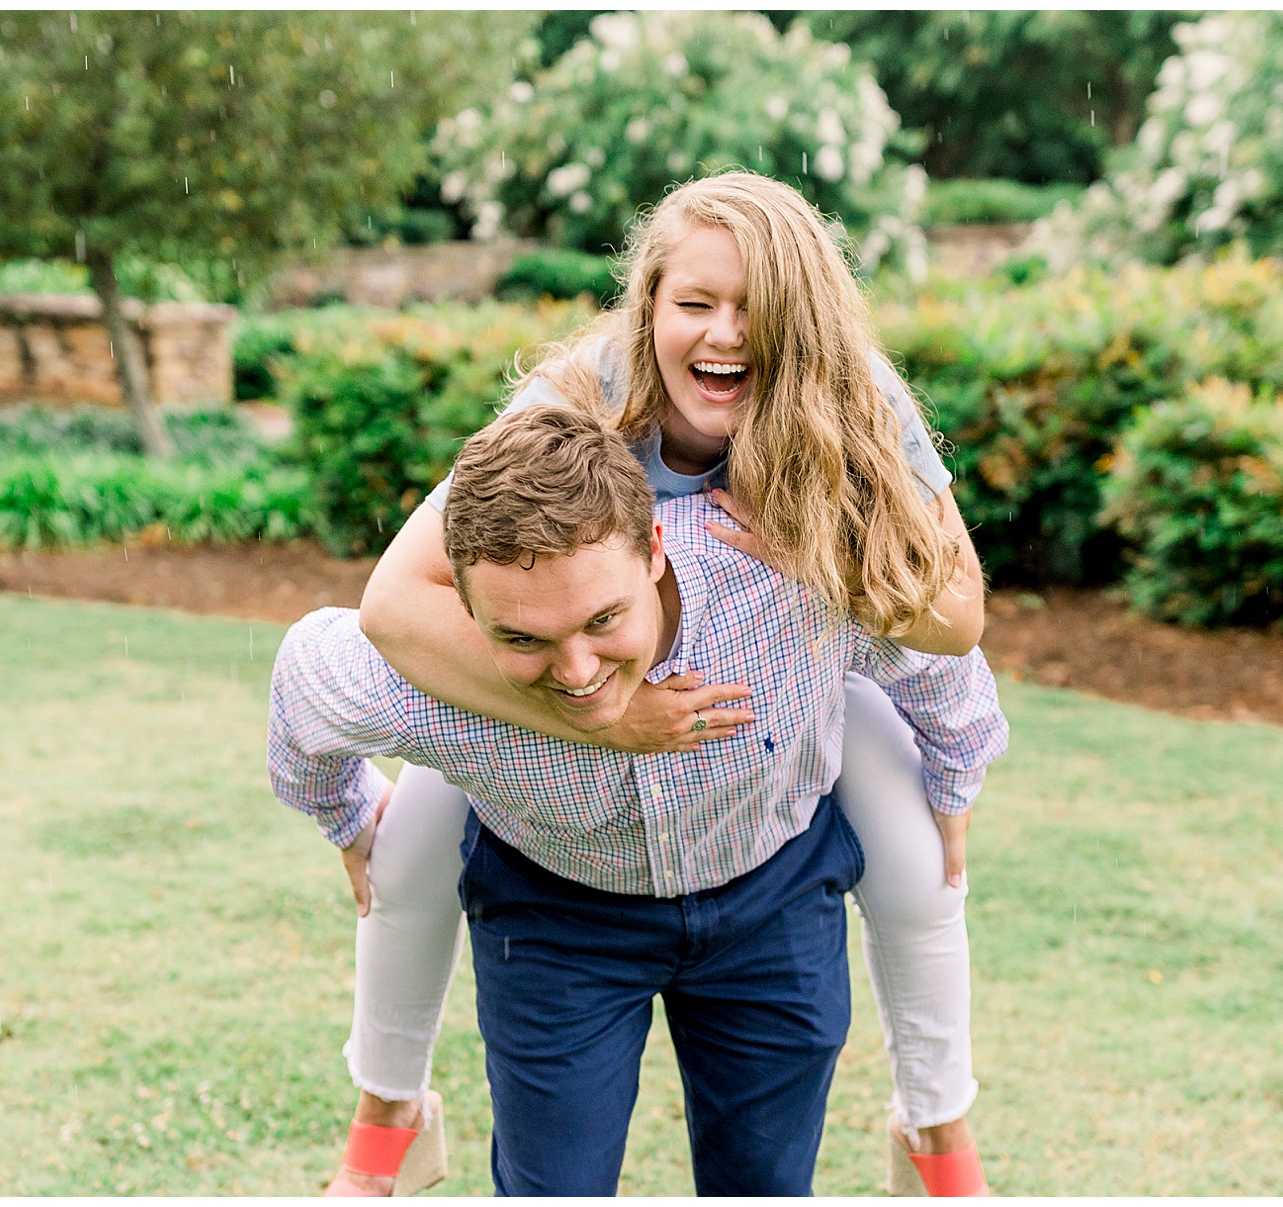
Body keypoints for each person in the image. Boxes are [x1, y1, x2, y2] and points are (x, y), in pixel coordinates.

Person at [333, 171, 996, 1196]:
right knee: (414, 847)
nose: (723, 334)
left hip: (779, 785)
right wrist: (604, 718)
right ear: (648, 306)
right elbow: (393, 604)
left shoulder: (851, 401)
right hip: (562, 829)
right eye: (694, 303)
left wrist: (816, 555)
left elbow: (954, 618)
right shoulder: (575, 399)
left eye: (755, 310)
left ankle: (942, 1140)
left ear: (803, 324)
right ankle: (382, 1129)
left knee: (915, 866)